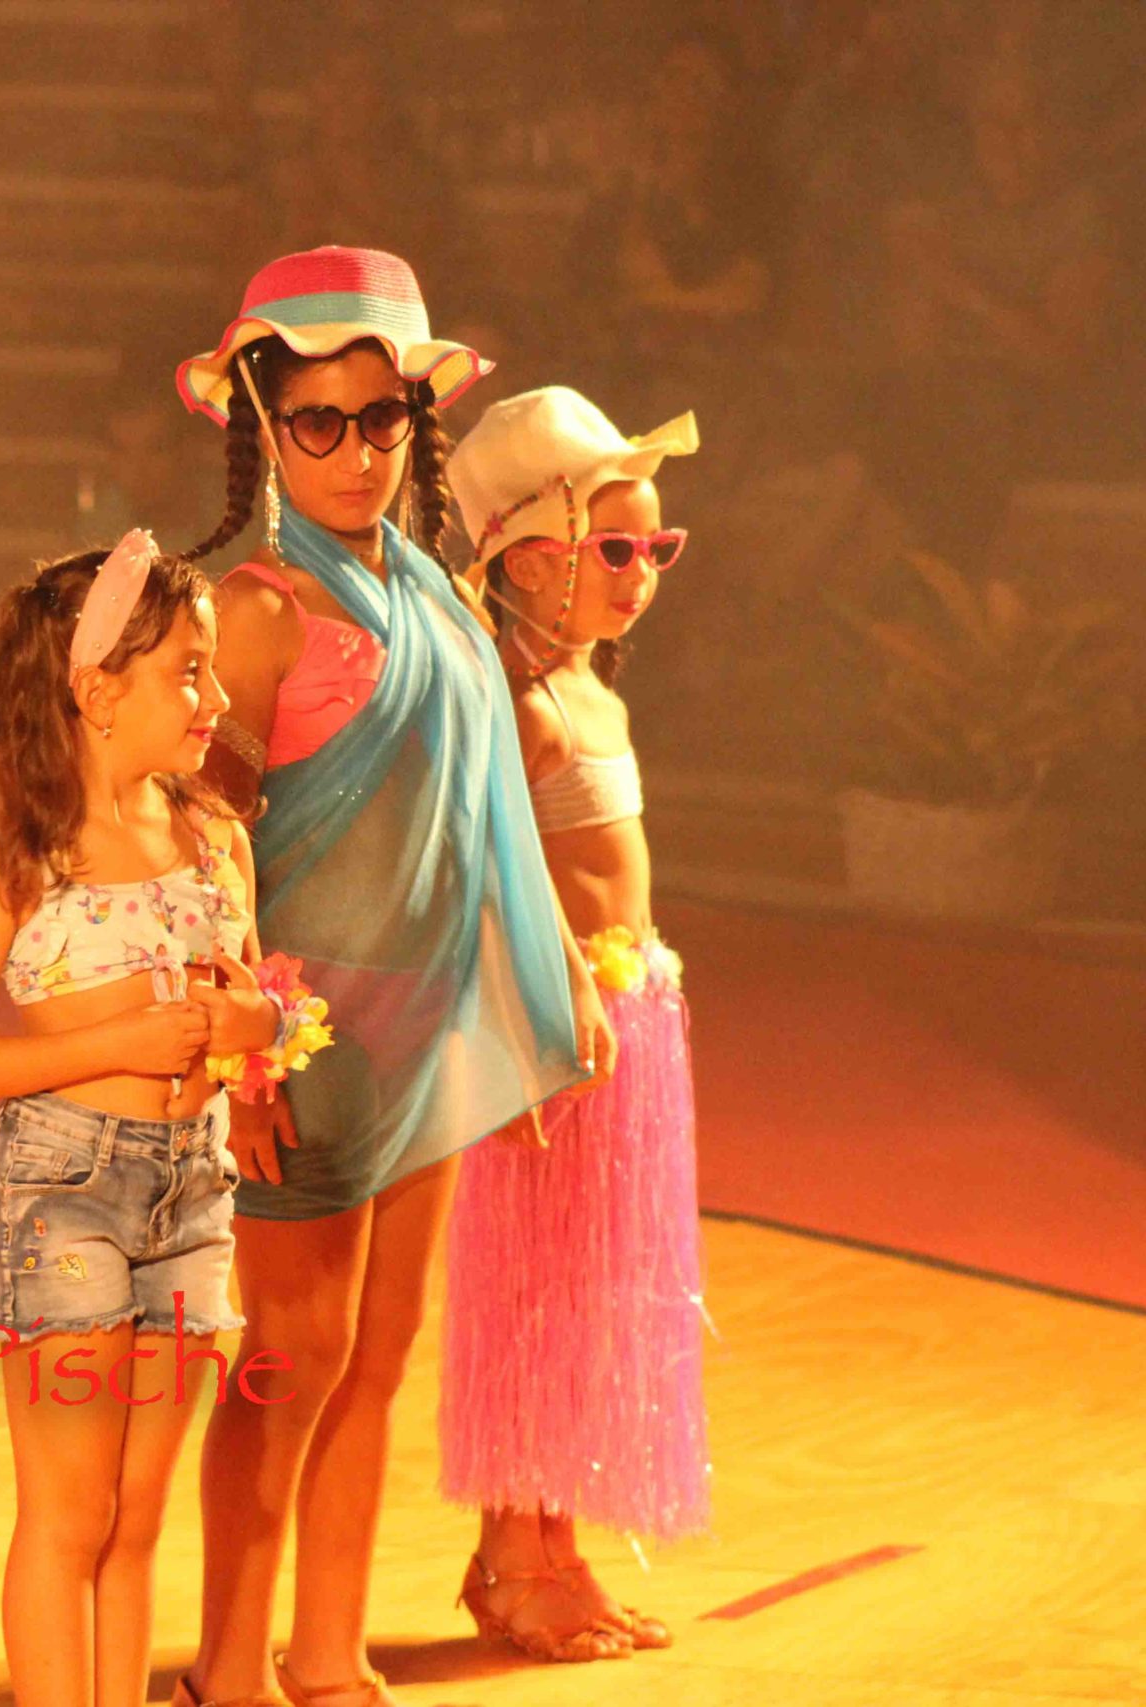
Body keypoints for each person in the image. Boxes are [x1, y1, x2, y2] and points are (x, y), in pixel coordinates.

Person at [175, 248, 614, 1707]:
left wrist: (549, 975)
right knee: (290, 1356)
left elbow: (491, 812)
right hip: (302, 1033)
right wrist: (237, 1052)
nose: (355, 451)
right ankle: (228, 1664)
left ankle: (328, 1653)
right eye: (319, 420)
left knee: (375, 1349)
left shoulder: (435, 595)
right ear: (262, 423)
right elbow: (203, 833)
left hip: (425, 1016)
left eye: (381, 419)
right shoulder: (252, 608)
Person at [0, 530, 314, 1707]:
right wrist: (114, 1046)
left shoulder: (216, 841)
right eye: (189, 670)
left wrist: (254, 1028)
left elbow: (261, 1006)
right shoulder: (18, 863)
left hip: (191, 1194)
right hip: (66, 1195)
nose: (218, 696)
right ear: (96, 692)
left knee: (136, 1519)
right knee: (69, 1514)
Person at [438, 385, 708, 1661]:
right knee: (535, 1291)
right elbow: (491, 866)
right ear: (529, 557)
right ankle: (509, 1555)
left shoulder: (587, 689)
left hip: (624, 1011)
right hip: (547, 1019)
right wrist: (546, 1004)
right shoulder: (507, 693)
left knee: (594, 1289)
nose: (640, 573)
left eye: (657, 548)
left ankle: (557, 1546)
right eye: (616, 549)